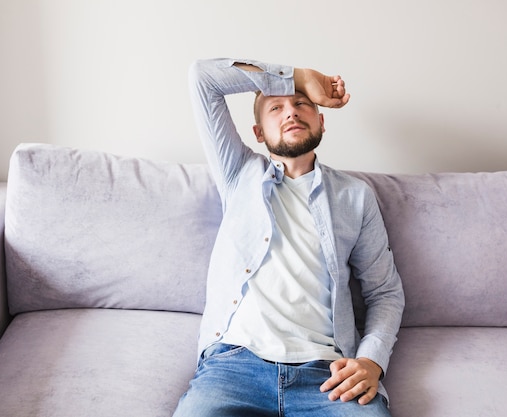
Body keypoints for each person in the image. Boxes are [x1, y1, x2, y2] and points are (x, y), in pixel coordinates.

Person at [173, 58, 405, 417]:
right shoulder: (239, 174)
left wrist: (371, 360)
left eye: (302, 104)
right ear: (259, 133)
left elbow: (384, 292)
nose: (291, 113)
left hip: (327, 373)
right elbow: (203, 78)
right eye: (276, 107)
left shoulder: (355, 196)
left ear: (322, 122)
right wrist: (297, 79)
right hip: (234, 366)